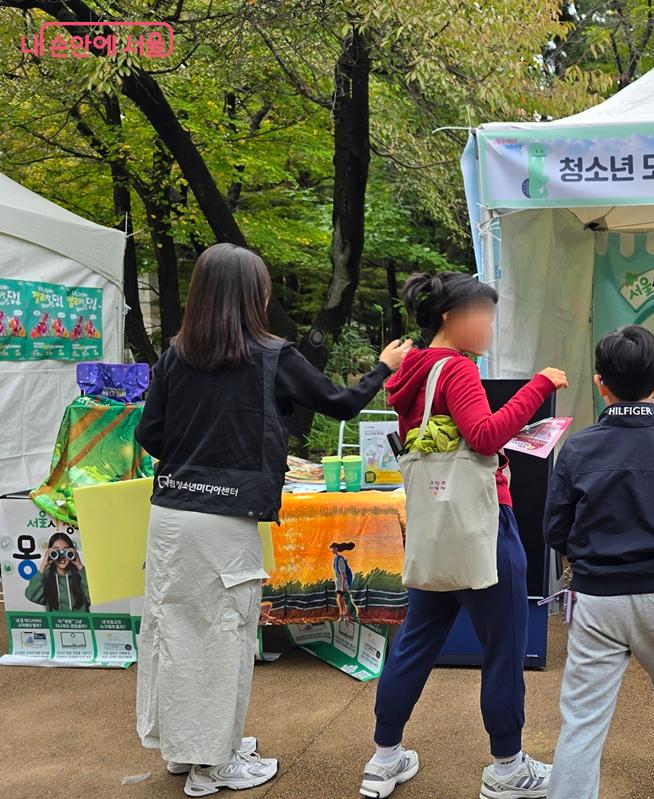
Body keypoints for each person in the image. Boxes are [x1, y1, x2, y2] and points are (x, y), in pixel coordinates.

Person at [135, 243, 410, 797]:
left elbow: (150, 435)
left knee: (175, 633)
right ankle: (214, 767)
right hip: (225, 520)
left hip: (170, 516)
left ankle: (187, 751)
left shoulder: (175, 354)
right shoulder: (271, 355)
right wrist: (385, 366)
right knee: (224, 638)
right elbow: (339, 402)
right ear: (253, 294)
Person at [363, 272, 568, 799]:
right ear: (452, 318)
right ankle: (507, 768)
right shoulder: (455, 368)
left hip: (435, 530)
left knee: (414, 643)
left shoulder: (411, 371)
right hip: (481, 527)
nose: (491, 324)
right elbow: (483, 437)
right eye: (484, 313)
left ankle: (384, 758)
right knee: (504, 646)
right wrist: (539, 387)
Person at [543, 325, 654, 799]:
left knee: (582, 715)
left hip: (597, 599)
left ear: (601, 384)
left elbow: (554, 530)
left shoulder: (577, 448)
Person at [25, 532, 90, 612]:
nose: (61, 556)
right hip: (55, 623)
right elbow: (31, 595)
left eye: (66, 551)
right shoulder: (46, 577)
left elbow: (93, 598)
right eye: (56, 552)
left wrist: (79, 565)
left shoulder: (80, 576)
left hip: (80, 623)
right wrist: (43, 565)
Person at [331, 542, 359, 621]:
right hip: (339, 581)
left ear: (336, 548)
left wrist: (342, 586)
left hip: (343, 581)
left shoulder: (340, 559)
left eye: (332, 548)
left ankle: (343, 615)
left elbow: (344, 575)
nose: (331, 550)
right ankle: (342, 615)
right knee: (340, 599)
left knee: (341, 598)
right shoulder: (336, 558)